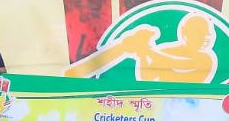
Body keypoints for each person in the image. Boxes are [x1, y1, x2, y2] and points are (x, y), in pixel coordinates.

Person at [64, 13, 216, 82]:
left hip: (190, 108)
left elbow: (175, 63)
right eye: (200, 33)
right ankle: (76, 74)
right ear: (185, 33)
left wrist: (145, 49)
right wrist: (141, 53)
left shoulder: (205, 59)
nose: (206, 37)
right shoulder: (164, 51)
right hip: (158, 106)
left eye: (207, 34)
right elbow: (147, 77)